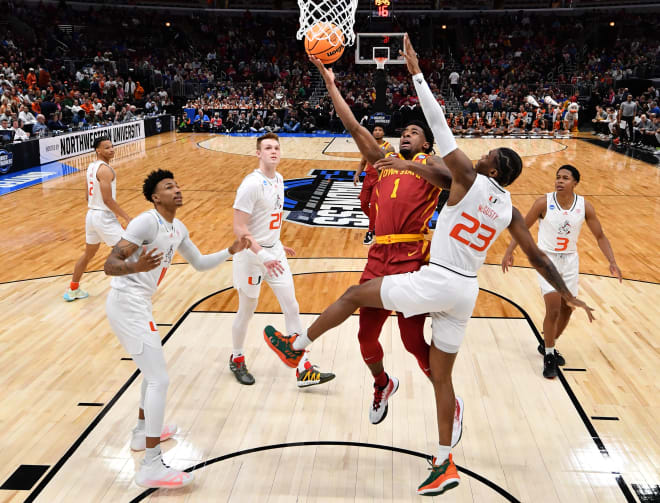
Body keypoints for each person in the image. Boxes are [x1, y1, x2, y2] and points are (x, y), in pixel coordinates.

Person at [264, 35, 594, 497]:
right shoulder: (507, 207)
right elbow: (537, 256)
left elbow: (439, 126)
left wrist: (415, 71)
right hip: (464, 291)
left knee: (357, 299)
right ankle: (444, 461)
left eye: (487, 158)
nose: (480, 156)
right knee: (441, 376)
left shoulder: (460, 176)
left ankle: (297, 346)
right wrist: (568, 291)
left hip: (431, 274)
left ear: (493, 170)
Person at [309, 55, 463, 427]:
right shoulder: (383, 160)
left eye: (414, 132)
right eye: (404, 132)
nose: (406, 135)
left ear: (425, 140)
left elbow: (449, 181)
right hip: (378, 255)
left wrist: (412, 164)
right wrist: (331, 84)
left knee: (412, 342)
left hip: (412, 257)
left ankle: (446, 397)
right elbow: (352, 125)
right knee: (365, 337)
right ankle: (382, 382)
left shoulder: (432, 163)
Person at [104, 169, 250, 489]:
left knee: (151, 374)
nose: (177, 189)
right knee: (159, 378)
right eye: (169, 187)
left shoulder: (178, 227)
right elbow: (109, 265)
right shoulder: (145, 222)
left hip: (140, 306)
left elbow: (198, 263)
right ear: (156, 197)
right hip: (126, 305)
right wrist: (134, 266)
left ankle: (142, 434)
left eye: (177, 185)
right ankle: (151, 465)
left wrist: (231, 251)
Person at [231, 132, 335, 387]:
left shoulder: (278, 179)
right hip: (251, 255)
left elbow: (267, 221)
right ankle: (237, 358)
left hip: (273, 252)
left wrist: (276, 244)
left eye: (276, 147)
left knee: (292, 305)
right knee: (247, 310)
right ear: (258, 153)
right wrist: (262, 252)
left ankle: (303, 368)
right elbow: (239, 228)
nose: (273, 151)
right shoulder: (251, 184)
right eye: (268, 148)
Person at [501, 165, 621, 378]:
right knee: (554, 309)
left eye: (565, 178)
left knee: (568, 308)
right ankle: (549, 355)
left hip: (570, 260)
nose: (560, 181)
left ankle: (548, 343)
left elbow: (600, 235)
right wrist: (510, 251)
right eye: (558, 177)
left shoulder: (585, 206)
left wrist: (612, 261)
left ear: (575, 182)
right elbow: (522, 228)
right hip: (547, 260)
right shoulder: (543, 203)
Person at [63, 136, 131, 301]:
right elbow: (108, 200)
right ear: (98, 150)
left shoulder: (91, 167)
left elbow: (88, 196)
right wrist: (127, 217)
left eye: (112, 146)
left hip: (92, 215)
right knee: (129, 252)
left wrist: (102, 209)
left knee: (88, 255)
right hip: (102, 216)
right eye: (107, 147)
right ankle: (125, 294)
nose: (111, 149)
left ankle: (73, 289)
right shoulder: (105, 170)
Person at [352, 126, 395, 245]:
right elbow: (362, 163)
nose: (377, 132)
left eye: (380, 130)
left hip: (380, 179)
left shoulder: (389, 147)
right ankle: (376, 222)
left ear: (384, 132)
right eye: (375, 130)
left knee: (374, 203)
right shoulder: (367, 146)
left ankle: (370, 232)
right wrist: (356, 175)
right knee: (363, 203)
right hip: (368, 177)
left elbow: (393, 164)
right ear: (372, 132)